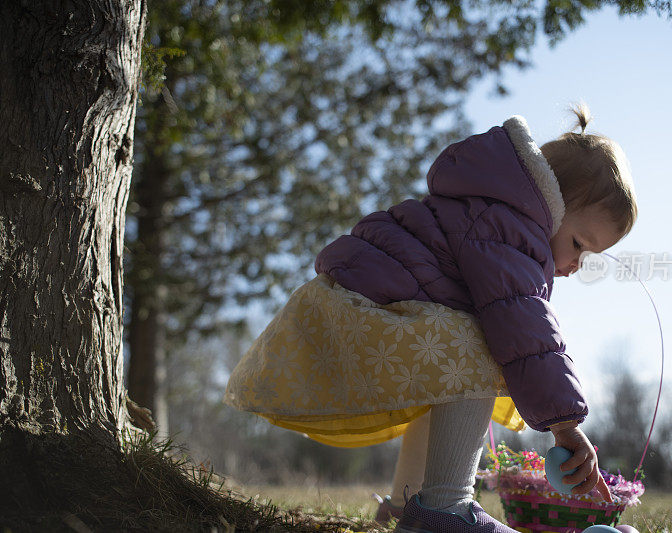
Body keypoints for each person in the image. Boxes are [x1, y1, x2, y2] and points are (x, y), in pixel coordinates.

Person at [225, 103, 636, 533]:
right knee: (477, 346)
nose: (576, 265)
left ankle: (410, 506)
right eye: (579, 244)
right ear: (553, 201)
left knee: (447, 358)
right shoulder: (511, 227)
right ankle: (445, 510)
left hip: (356, 313)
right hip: (360, 317)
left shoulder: (492, 210)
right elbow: (525, 330)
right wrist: (566, 426)